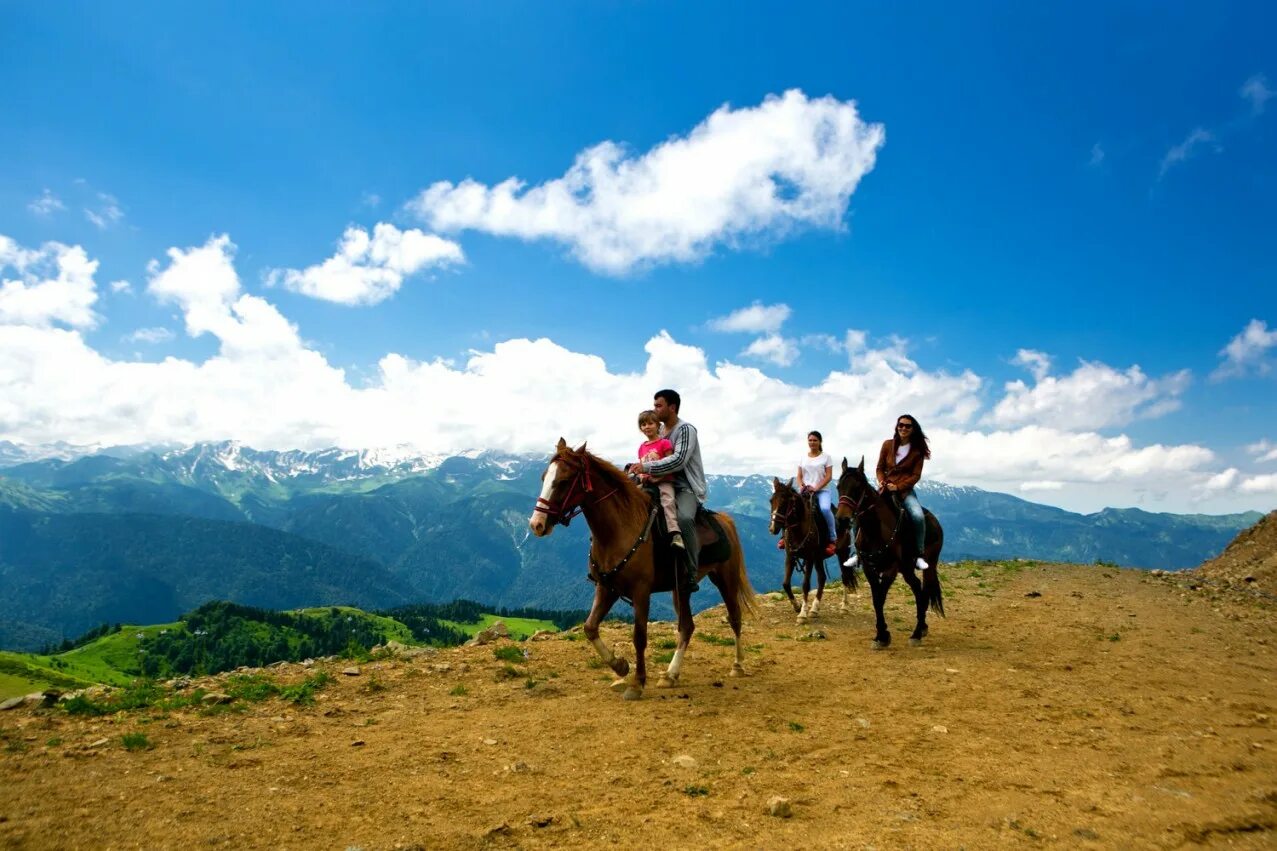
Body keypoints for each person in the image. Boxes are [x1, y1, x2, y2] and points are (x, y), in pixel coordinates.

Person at [631, 389, 705, 591]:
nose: (655, 409)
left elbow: (679, 460)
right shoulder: (658, 432)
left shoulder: (686, 430)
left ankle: (691, 572)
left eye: (658, 405)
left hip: (685, 488)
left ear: (672, 407)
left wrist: (646, 468)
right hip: (656, 481)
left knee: (684, 519)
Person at [875, 413, 932, 571]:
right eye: (901, 425)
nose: (903, 428)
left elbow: (915, 475)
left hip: (904, 492)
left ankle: (919, 555)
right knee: (862, 510)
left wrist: (898, 487)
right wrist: (881, 481)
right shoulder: (887, 445)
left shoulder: (917, 450)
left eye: (907, 426)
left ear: (913, 429)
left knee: (918, 516)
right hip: (884, 488)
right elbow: (879, 467)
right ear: (897, 426)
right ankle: (858, 553)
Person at [635, 409, 683, 551]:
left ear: (658, 425)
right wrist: (642, 476)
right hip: (647, 481)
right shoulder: (641, 447)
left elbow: (670, 463)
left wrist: (660, 477)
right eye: (643, 424)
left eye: (650, 423)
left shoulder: (665, 443)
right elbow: (642, 466)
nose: (647, 427)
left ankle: (675, 533)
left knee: (667, 501)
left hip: (664, 480)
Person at [789, 431, 837, 558]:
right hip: (805, 490)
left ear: (820, 442)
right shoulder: (803, 457)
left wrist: (816, 488)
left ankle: (832, 539)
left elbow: (828, 476)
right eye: (810, 440)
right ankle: (786, 537)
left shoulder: (826, 457)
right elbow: (799, 476)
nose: (812, 442)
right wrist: (802, 486)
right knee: (790, 508)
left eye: (815, 440)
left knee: (825, 509)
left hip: (822, 490)